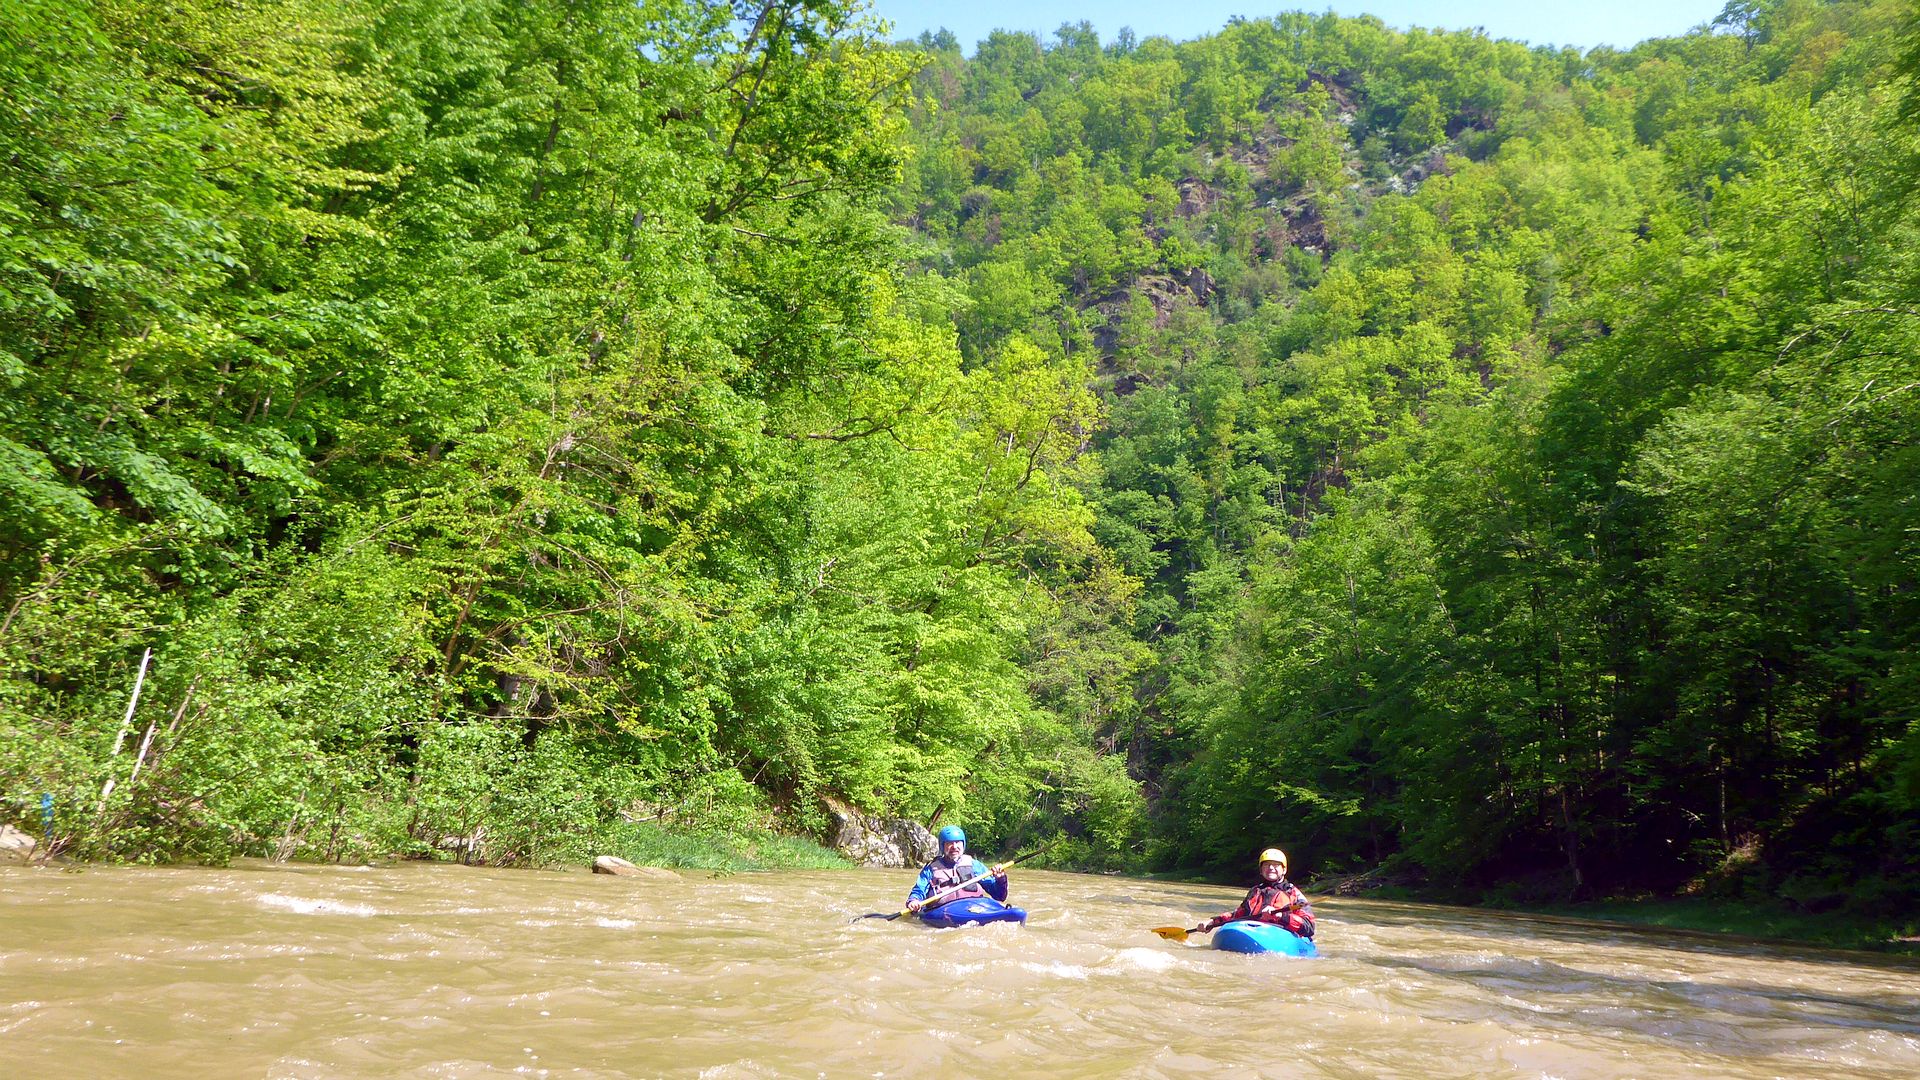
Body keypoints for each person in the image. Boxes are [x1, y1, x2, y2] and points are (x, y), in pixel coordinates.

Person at [1191, 847, 1314, 940]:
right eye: (1266, 865)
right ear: (1261, 870)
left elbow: (1309, 927)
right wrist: (1212, 922)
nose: (1271, 868)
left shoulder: (1293, 894)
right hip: (1253, 932)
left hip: (1278, 935)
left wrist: (1282, 916)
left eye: (1276, 865)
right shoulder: (1255, 891)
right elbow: (1239, 914)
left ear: (1284, 870)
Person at [904, 825, 1008, 913]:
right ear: (942, 846)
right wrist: (914, 901)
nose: (954, 847)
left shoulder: (975, 865)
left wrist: (1000, 879)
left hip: (974, 908)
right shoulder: (930, 869)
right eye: (950, 843)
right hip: (943, 911)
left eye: (958, 842)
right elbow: (919, 890)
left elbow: (1000, 896)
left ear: (963, 845)